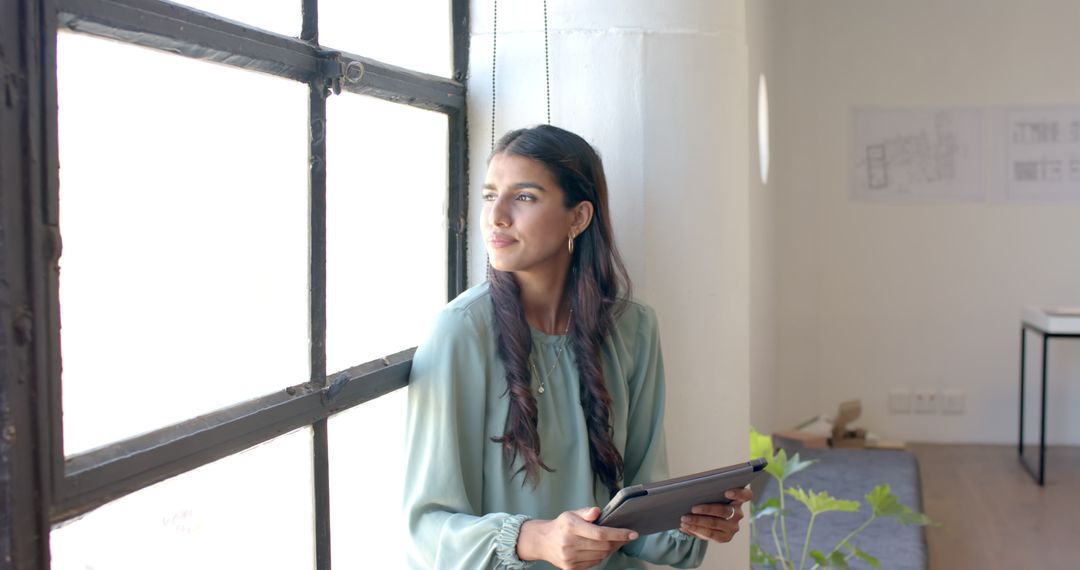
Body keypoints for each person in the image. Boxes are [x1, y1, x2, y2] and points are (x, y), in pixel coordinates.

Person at [403, 125, 752, 569]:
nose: (497, 217)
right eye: (491, 195)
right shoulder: (459, 334)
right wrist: (534, 539)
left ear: (579, 217)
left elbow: (639, 510)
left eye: (524, 197)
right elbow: (424, 529)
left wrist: (691, 523)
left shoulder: (633, 328)